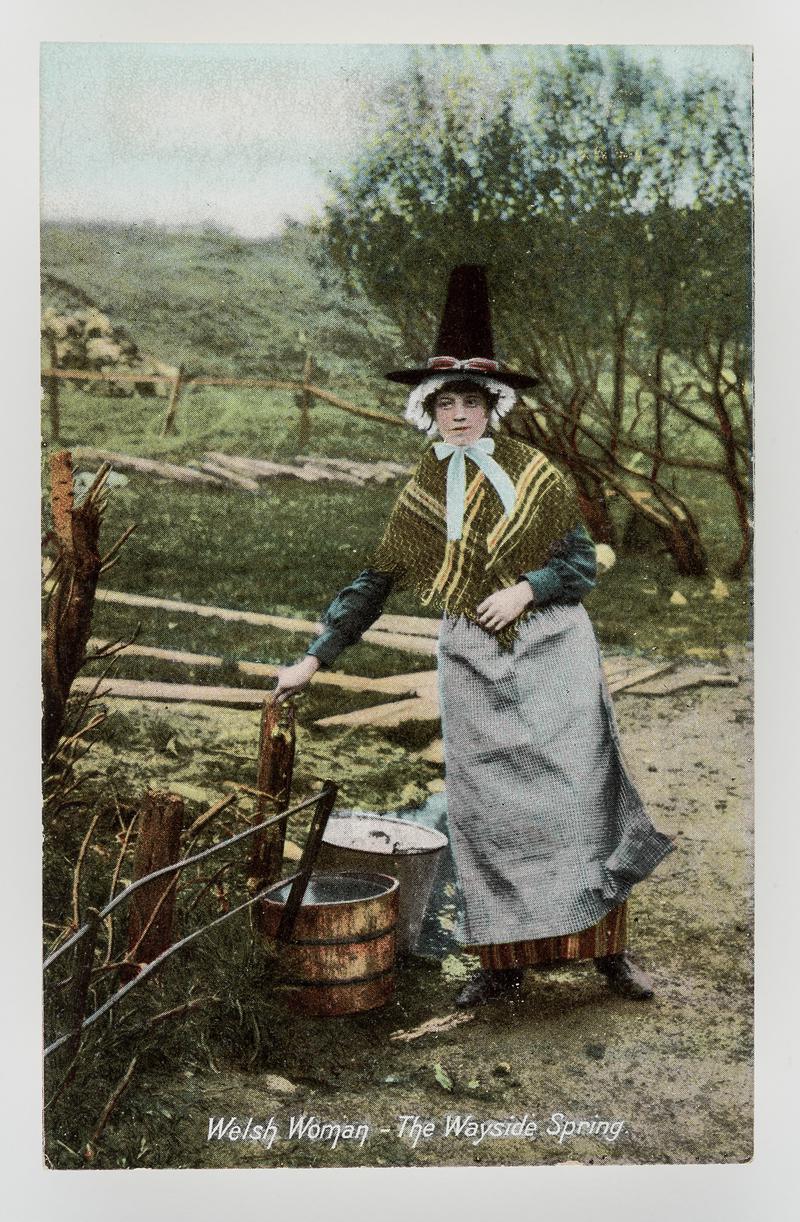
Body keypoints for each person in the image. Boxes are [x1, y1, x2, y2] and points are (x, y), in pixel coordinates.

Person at [273, 265, 674, 1008]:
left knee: (578, 800)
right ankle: (503, 969)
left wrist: (527, 586)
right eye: (447, 403)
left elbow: (580, 565)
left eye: (473, 402)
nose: (461, 415)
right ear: (428, 410)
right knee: (487, 812)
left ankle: (607, 954)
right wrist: (312, 657)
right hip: (472, 660)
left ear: (495, 406)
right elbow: (375, 581)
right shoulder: (423, 492)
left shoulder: (536, 473)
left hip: (553, 649)